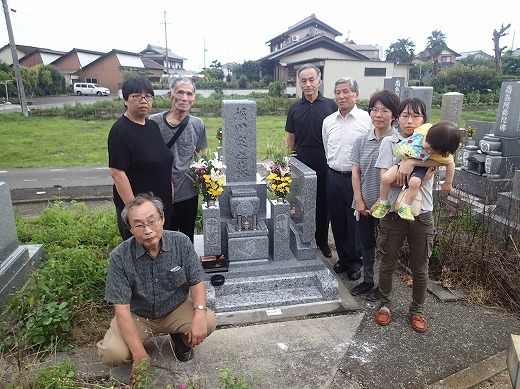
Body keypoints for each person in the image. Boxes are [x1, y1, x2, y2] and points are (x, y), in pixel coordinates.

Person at [96, 193, 217, 380]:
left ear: (162, 219)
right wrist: (139, 355)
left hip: (174, 309)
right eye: (139, 225)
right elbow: (121, 310)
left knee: (207, 321)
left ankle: (181, 339)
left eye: (152, 221)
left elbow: (197, 281)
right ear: (130, 228)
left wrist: (199, 313)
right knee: (112, 354)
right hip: (138, 316)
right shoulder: (120, 257)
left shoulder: (181, 242)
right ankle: (138, 345)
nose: (147, 230)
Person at [373, 97, 438, 333]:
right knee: (388, 261)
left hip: (422, 214)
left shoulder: (432, 141)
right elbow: (387, 176)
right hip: (392, 213)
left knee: (421, 266)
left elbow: (439, 163)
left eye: (416, 116)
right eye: (405, 115)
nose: (410, 121)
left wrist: (408, 165)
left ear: (424, 120)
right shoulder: (389, 142)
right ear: (398, 118)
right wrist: (412, 171)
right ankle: (385, 305)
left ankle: (417, 310)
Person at [108, 75, 173, 240]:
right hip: (140, 214)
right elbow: (117, 173)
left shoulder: (152, 126)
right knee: (142, 254)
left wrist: (170, 188)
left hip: (160, 206)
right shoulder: (120, 131)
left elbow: (162, 160)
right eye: (136, 96)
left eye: (148, 96)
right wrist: (134, 211)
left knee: (162, 251)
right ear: (125, 100)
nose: (143, 100)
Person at [350, 89, 400, 296]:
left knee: (387, 248)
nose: (378, 115)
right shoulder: (361, 141)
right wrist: (359, 201)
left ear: (395, 115)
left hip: (387, 207)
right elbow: (355, 173)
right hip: (363, 205)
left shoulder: (400, 143)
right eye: (374, 110)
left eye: (384, 110)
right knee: (367, 244)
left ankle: (383, 285)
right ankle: (368, 280)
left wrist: (381, 202)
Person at [285, 64, 337, 258]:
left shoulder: (330, 105)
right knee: (301, 202)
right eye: (303, 81)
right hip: (302, 159)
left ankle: (322, 241)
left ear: (319, 81)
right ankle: (302, 237)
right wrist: (288, 162)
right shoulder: (295, 108)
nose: (308, 84)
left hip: (325, 160)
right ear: (299, 83)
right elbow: (291, 137)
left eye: (311, 80)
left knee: (324, 203)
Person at [322, 77, 371, 279]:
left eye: (345, 92)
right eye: (338, 92)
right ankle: (342, 258)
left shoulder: (366, 120)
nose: (341, 96)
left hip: (356, 178)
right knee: (338, 220)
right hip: (333, 176)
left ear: (356, 94)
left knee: (355, 222)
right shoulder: (328, 121)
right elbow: (327, 148)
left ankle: (355, 263)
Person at [150, 77, 208, 242]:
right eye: (180, 92)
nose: (184, 98)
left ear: (194, 99)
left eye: (189, 94)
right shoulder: (153, 123)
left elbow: (200, 155)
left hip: (189, 191)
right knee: (163, 235)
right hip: (161, 191)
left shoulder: (198, 124)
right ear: (170, 95)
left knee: (186, 235)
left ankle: (186, 266)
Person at [372, 121, 460, 221]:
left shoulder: (443, 155)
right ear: (427, 135)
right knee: (386, 178)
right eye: (429, 147)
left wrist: (448, 182)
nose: (429, 151)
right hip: (404, 162)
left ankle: (406, 206)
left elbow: (450, 163)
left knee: (415, 182)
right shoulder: (425, 129)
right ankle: (383, 203)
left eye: (434, 152)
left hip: (420, 168)